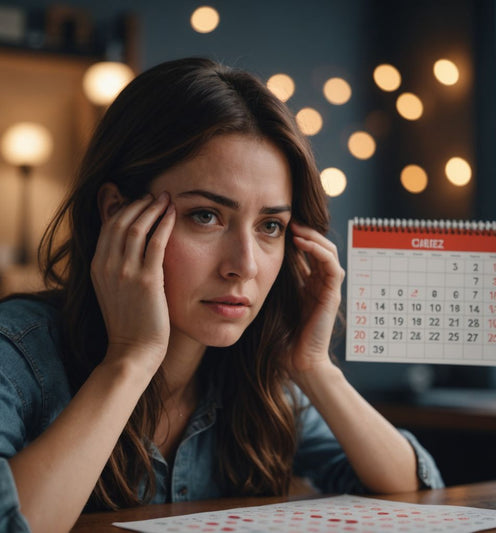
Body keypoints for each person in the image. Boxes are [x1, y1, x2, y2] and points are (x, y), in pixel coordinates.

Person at [0, 57, 443, 532]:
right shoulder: (19, 351)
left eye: (270, 225)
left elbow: (418, 494)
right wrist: (129, 360)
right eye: (206, 216)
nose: (245, 266)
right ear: (116, 212)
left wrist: (315, 369)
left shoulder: (256, 379)